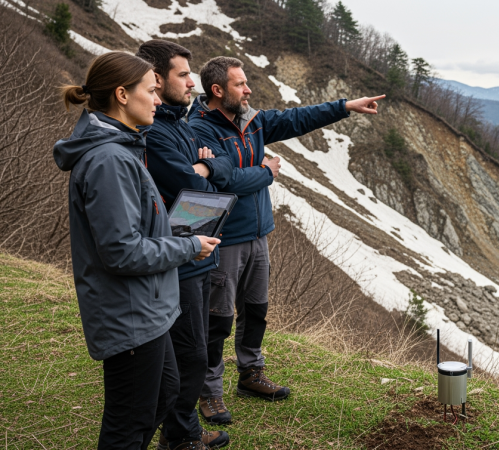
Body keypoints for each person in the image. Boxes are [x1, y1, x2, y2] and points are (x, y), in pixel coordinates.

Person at [188, 56, 384, 423]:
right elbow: (222, 182)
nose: (248, 90)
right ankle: (209, 391)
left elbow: (297, 118)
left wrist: (346, 107)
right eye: (240, 84)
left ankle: (250, 374)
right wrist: (265, 172)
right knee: (216, 319)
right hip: (223, 240)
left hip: (258, 234)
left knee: (256, 310)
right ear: (217, 91)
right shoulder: (200, 129)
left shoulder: (252, 120)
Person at [54, 52, 220, 450]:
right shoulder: (109, 159)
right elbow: (122, 252)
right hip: (129, 314)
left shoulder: (123, 147)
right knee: (128, 423)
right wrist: (188, 245)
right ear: (122, 95)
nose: (159, 100)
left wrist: (180, 236)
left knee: (162, 395)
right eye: (151, 90)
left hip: (147, 308)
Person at [136, 40, 231, 450]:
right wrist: (208, 171)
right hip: (179, 255)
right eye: (182, 75)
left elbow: (217, 170)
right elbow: (197, 187)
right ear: (156, 78)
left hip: (196, 248)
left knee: (194, 348)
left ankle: (182, 430)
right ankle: (180, 436)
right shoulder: (157, 132)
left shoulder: (180, 123)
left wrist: (209, 165)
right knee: (189, 353)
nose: (192, 83)